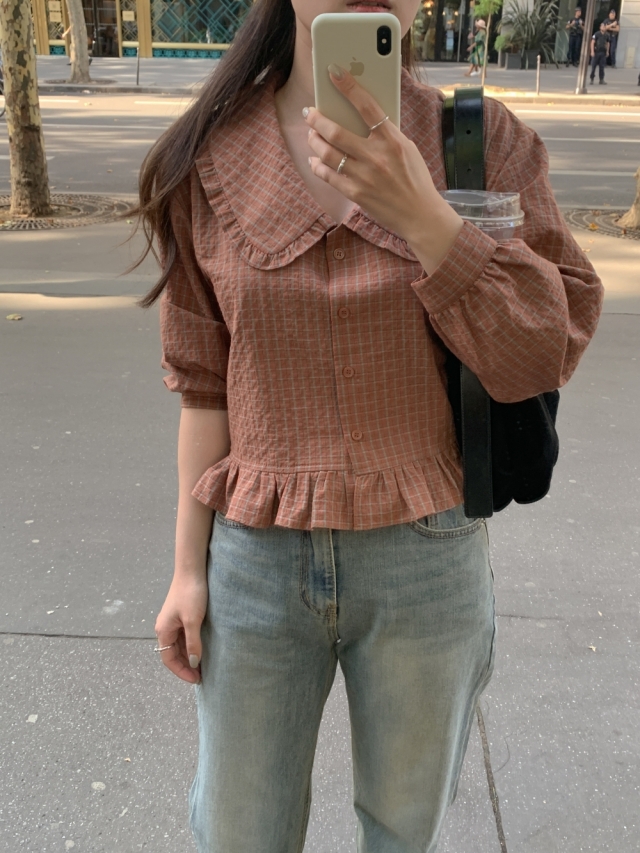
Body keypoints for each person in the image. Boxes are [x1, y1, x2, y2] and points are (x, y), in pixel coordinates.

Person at [132, 1, 604, 850]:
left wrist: (428, 219)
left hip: (427, 555)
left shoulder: (479, 143)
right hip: (255, 559)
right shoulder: (211, 155)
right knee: (239, 832)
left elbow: (544, 348)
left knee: (403, 833)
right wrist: (185, 570)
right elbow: (204, 385)